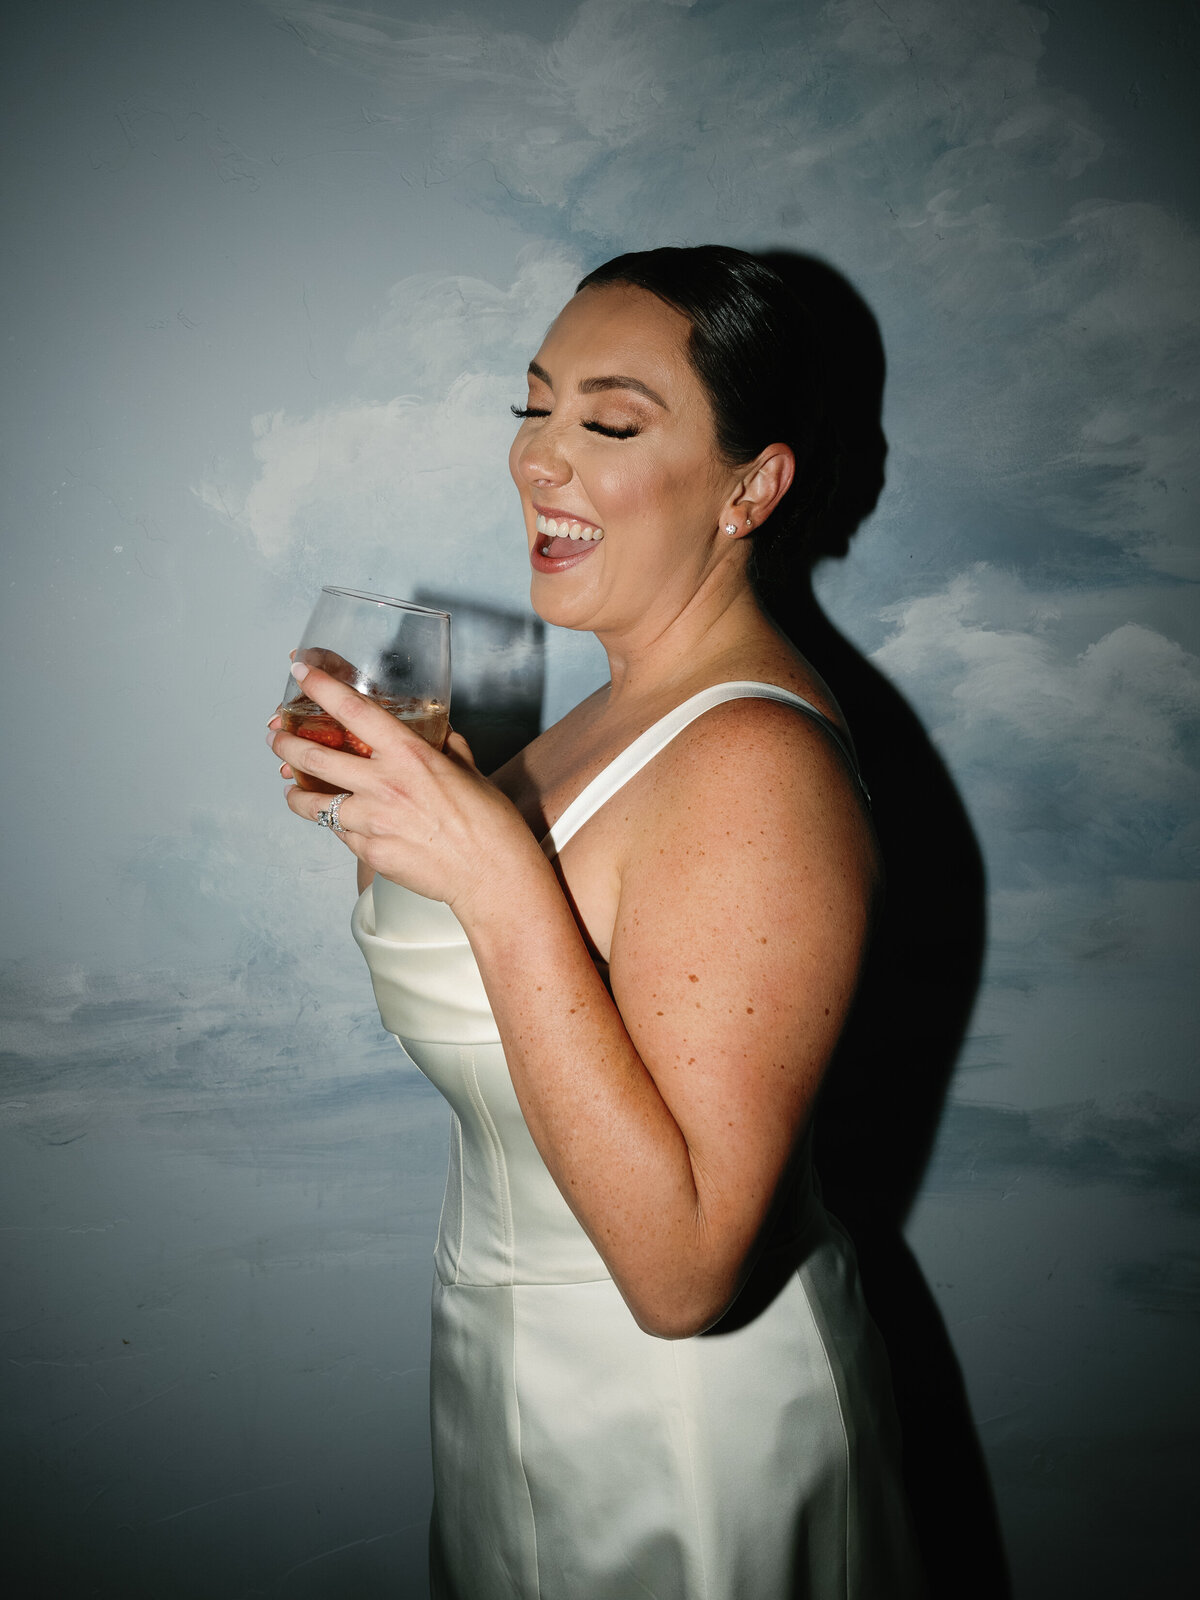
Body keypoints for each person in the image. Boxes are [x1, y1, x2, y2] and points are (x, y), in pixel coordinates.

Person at [268, 246, 925, 1599]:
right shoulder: (596, 714)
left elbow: (685, 1278)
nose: (539, 461)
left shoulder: (755, 765)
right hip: (510, 1376)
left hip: (678, 1433)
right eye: (533, 409)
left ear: (754, 485)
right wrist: (394, 815)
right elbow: (516, 1003)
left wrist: (494, 876)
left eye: (610, 423)